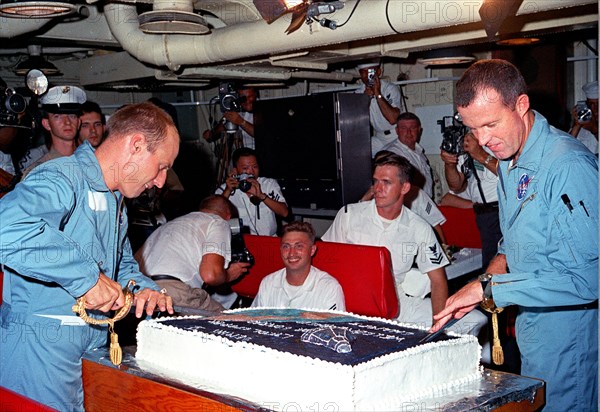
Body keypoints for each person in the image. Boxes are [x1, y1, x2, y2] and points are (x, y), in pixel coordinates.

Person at [432, 59, 598, 411]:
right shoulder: (510, 160)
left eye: (491, 124)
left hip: (570, 332)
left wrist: (492, 289)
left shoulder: (567, 167)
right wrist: (483, 283)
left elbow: (591, 279)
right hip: (532, 325)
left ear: (521, 105)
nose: (483, 140)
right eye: (474, 129)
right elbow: (513, 241)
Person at [0, 102, 179, 410]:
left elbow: (119, 264)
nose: (161, 180)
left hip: (92, 342)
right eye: (161, 166)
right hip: (40, 346)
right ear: (136, 145)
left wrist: (140, 286)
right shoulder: (62, 177)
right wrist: (88, 280)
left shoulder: (115, 200)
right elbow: (7, 227)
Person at [322, 153, 485, 334]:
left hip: (395, 302)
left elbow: (438, 281)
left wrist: (437, 328)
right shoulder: (349, 215)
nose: (378, 188)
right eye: (375, 181)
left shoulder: (419, 227)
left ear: (405, 187)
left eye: (386, 182)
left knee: (474, 321)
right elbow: (325, 261)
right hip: (348, 300)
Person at [135, 195, 251, 312]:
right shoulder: (218, 222)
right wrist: (229, 274)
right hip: (173, 292)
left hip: (141, 292)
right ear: (229, 216)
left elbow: (133, 263)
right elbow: (211, 275)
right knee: (231, 324)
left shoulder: (169, 224)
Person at [252, 221, 345, 311]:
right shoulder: (268, 283)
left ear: (312, 250)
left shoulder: (329, 288)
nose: (292, 253)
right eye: (286, 246)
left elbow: (335, 326)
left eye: (299, 246)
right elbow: (252, 322)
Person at [440, 131, 500, 268]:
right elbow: (456, 186)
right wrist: (449, 164)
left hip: (503, 211)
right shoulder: (468, 142)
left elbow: (513, 173)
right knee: (490, 266)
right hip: (485, 216)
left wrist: (480, 155)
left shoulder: (501, 139)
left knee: (502, 267)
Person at [215, 147, 288, 236]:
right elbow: (213, 216)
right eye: (245, 168)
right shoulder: (226, 188)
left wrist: (262, 196)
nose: (251, 172)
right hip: (241, 242)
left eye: (255, 167)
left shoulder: (269, 184)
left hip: (268, 239)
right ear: (235, 170)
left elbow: (284, 212)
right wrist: (228, 191)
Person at [21, 85, 87, 178]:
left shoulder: (92, 162)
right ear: (46, 124)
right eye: (58, 116)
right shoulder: (37, 172)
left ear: (79, 122)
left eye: (72, 116)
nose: (67, 122)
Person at [383, 112, 435, 198]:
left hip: (424, 205)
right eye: (403, 128)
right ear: (397, 130)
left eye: (413, 128)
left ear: (419, 130)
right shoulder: (392, 153)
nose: (408, 132)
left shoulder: (419, 152)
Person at [355, 61, 401, 156]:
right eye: (363, 72)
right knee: (357, 152)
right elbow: (355, 121)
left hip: (395, 135)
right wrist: (365, 99)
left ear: (378, 72)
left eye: (370, 72)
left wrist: (378, 94)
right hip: (379, 137)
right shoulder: (359, 93)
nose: (367, 75)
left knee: (389, 160)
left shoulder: (390, 89)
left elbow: (392, 119)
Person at [569, 80, 598, 154]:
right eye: (591, 104)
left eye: (598, 104)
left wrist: (594, 130)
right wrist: (576, 125)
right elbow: (566, 148)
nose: (595, 109)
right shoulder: (584, 125)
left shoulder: (591, 127)